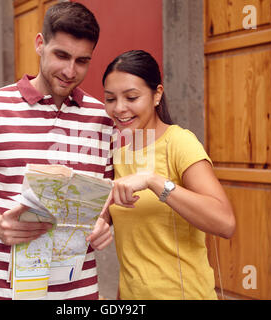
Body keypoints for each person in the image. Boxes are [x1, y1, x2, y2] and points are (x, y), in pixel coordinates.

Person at [0, 2, 114, 300]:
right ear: (40, 44)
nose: (69, 70)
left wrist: (106, 222)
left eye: (82, 61)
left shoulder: (103, 118)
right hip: (4, 290)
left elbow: (108, 198)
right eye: (61, 55)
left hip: (80, 293)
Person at [101, 50, 236, 299]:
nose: (119, 108)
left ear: (157, 95)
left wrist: (154, 181)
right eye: (110, 99)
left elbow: (225, 223)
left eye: (131, 97)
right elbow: (133, 249)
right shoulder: (121, 156)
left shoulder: (179, 142)